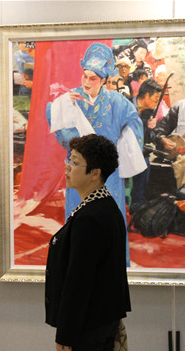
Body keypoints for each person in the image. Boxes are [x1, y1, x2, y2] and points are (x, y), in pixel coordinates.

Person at [45, 134, 131, 351]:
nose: (67, 167)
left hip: (86, 325)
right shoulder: (105, 207)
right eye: (69, 160)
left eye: (75, 162)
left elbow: (78, 282)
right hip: (102, 319)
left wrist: (66, 334)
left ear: (95, 173)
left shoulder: (90, 217)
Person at [46, 42, 145, 225]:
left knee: (108, 218)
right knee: (80, 216)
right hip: (80, 170)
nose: (86, 82)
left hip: (107, 171)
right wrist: (65, 105)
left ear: (103, 80)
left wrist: (122, 152)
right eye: (84, 76)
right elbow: (63, 134)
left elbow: (134, 123)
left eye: (92, 78)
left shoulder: (117, 101)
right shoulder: (72, 98)